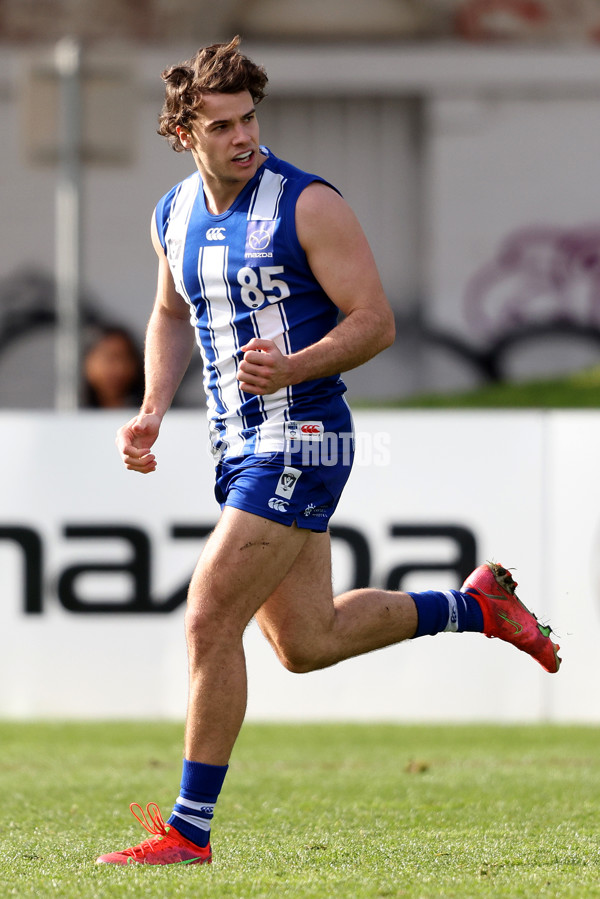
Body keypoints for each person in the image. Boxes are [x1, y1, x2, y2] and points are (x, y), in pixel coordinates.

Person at [98, 36, 561, 867]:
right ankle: (478, 607)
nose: (243, 137)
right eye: (222, 126)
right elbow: (172, 315)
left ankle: (187, 831)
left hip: (304, 435)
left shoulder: (308, 205)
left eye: (250, 119)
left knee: (209, 618)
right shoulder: (173, 214)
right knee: (305, 642)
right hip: (236, 443)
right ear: (183, 134)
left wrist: (296, 364)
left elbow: (375, 321)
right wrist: (152, 407)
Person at [82, 326, 145, 409]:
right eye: (109, 359)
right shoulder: (69, 409)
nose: (119, 368)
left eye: (125, 358)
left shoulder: (149, 412)